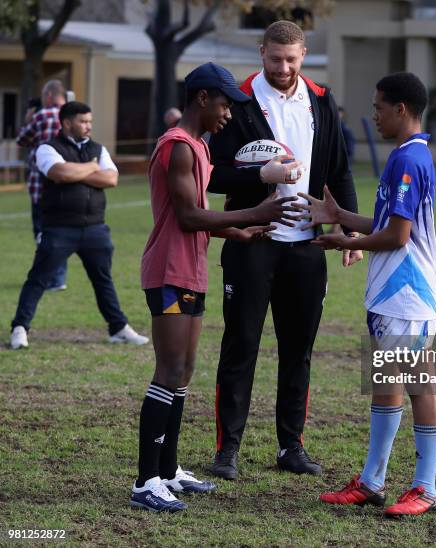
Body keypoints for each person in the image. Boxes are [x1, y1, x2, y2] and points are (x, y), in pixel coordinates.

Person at [131, 62, 300, 513]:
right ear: (203, 98)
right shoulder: (179, 147)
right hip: (168, 271)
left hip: (192, 270)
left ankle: (168, 472)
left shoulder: (201, 149)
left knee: (183, 371)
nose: (228, 114)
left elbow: (201, 218)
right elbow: (186, 218)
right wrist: (251, 215)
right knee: (168, 372)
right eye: (225, 104)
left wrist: (237, 232)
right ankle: (146, 481)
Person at [206, 20, 362, 481]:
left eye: (291, 59)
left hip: (306, 246)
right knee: (241, 346)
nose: (283, 68)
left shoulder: (320, 98)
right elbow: (212, 175)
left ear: (304, 55)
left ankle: (290, 446)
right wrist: (261, 177)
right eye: (275, 59)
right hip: (253, 241)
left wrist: (348, 229)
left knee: (299, 350)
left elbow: (339, 169)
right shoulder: (237, 100)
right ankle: (226, 450)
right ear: (262, 52)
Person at [296, 72, 436, 516]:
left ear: (401, 109)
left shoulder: (407, 161)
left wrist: (346, 242)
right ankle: (374, 481)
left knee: (416, 383)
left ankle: (423, 487)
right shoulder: (407, 155)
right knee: (392, 383)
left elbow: (397, 238)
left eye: (379, 106)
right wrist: (340, 215)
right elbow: (388, 224)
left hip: (407, 291)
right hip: (399, 293)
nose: (374, 114)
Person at [9, 101, 149, 350]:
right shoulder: (46, 148)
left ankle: (118, 328)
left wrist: (78, 171)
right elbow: (59, 173)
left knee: (103, 280)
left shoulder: (98, 148)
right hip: (58, 228)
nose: (88, 126)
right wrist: (92, 167)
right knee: (38, 279)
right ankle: (20, 328)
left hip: (95, 228)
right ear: (66, 123)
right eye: (83, 122)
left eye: (90, 122)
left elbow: (111, 178)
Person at [16, 79, 68, 291]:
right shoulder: (73, 117)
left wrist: (29, 119)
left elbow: (22, 140)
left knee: (43, 234)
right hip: (67, 185)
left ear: (48, 96)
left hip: (41, 187)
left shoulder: (41, 116)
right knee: (63, 231)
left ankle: (48, 278)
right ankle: (59, 278)